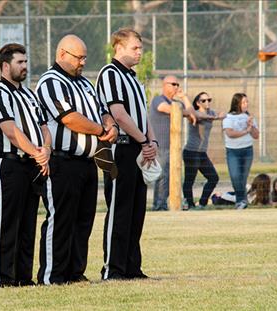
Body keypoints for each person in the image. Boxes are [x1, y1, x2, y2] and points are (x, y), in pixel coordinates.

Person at [36, 34, 117, 285]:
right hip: (62, 161)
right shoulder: (50, 82)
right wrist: (101, 131)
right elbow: (69, 118)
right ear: (62, 54)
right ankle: (53, 275)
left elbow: (102, 110)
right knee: (61, 219)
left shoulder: (84, 84)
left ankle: (75, 272)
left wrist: (110, 124)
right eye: (78, 57)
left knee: (83, 220)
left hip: (87, 162)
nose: (82, 62)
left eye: (84, 57)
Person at [0, 43, 51, 287]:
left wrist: (46, 150)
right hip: (9, 165)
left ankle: (24, 277)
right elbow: (11, 131)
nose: (25, 67)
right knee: (6, 222)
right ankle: (2, 277)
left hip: (32, 165)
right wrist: (37, 152)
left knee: (28, 223)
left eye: (26, 62)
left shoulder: (29, 94)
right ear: (5, 65)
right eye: (19, 62)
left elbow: (44, 127)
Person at [96, 28, 157, 280]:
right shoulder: (110, 74)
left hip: (138, 147)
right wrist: (142, 140)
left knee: (136, 210)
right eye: (135, 48)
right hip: (120, 148)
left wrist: (151, 140)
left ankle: (132, 266)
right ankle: (114, 268)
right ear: (118, 48)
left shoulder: (133, 77)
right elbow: (119, 114)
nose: (139, 52)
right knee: (120, 209)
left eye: (141, 48)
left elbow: (142, 113)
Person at [149, 75, 197, 211]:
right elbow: (169, 109)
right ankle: (159, 206)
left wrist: (184, 98)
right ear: (164, 85)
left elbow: (193, 113)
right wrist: (186, 112)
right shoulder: (158, 100)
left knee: (171, 177)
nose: (176, 87)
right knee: (162, 176)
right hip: (160, 146)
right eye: (173, 84)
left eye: (177, 84)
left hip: (174, 148)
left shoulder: (178, 103)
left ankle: (164, 204)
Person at [182, 92, 225, 210]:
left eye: (209, 100)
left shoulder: (210, 112)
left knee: (213, 178)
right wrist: (214, 117)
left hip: (202, 153)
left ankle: (202, 203)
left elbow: (222, 113)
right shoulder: (194, 114)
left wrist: (218, 115)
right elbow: (197, 115)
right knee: (189, 180)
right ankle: (189, 205)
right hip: (191, 151)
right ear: (197, 103)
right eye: (204, 101)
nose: (207, 103)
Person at [222, 93, 259, 210]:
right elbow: (230, 133)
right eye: (243, 102)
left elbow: (256, 135)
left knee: (243, 177)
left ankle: (240, 202)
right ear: (236, 103)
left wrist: (251, 126)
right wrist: (246, 131)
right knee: (235, 176)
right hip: (233, 151)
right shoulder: (228, 117)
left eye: (247, 102)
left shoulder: (249, 117)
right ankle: (242, 199)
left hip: (247, 150)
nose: (246, 104)